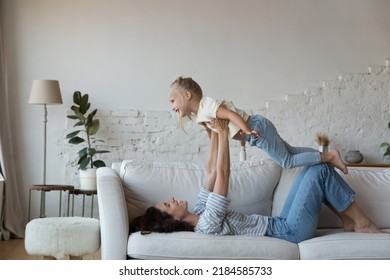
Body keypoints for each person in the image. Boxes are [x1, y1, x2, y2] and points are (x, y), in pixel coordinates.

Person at [129, 119, 383, 243]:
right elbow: (224, 174)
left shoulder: (200, 211)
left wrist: (214, 135)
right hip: (289, 233)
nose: (171, 200)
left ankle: (347, 220)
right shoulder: (207, 224)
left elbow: (211, 172)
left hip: (282, 223)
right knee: (320, 171)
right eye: (168, 205)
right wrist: (223, 133)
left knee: (310, 168)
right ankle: (362, 222)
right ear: (172, 220)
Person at [167, 76, 348, 174]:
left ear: (187, 96)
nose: (172, 107)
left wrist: (246, 131)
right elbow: (215, 134)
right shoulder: (201, 114)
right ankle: (325, 156)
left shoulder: (207, 105)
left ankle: (329, 157)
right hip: (257, 130)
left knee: (287, 161)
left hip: (255, 128)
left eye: (173, 100)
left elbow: (230, 114)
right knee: (291, 151)